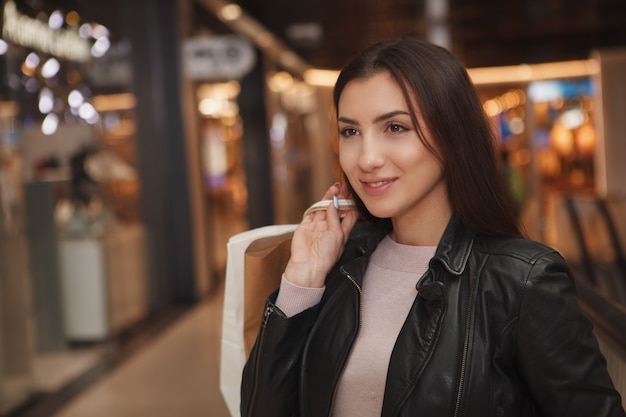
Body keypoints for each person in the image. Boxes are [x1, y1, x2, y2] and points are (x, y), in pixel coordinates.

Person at [240, 37, 626, 417]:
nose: (367, 158)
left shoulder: (523, 280)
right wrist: (303, 280)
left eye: (395, 128)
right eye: (350, 131)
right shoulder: (340, 265)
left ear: (451, 134)